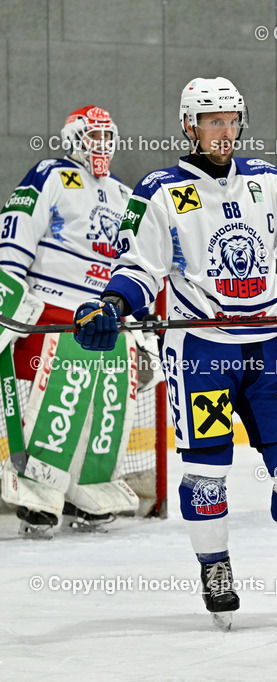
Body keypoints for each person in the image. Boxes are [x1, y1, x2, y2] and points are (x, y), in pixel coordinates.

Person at [72, 76, 277, 630]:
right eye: (212, 122)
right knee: (206, 470)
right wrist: (111, 305)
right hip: (201, 351)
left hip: (267, 348)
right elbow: (138, 266)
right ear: (189, 126)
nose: (223, 132)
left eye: (230, 121)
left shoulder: (268, 182)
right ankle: (216, 569)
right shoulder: (157, 190)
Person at [0, 105, 147, 539]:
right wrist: (8, 291)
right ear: (72, 137)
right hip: (53, 311)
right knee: (58, 402)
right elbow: (17, 229)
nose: (100, 145)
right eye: (92, 136)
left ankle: (88, 487)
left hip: (106, 316)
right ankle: (38, 496)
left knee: (108, 407)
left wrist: (144, 317)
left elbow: (139, 259)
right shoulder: (49, 174)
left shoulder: (124, 195)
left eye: (107, 137)